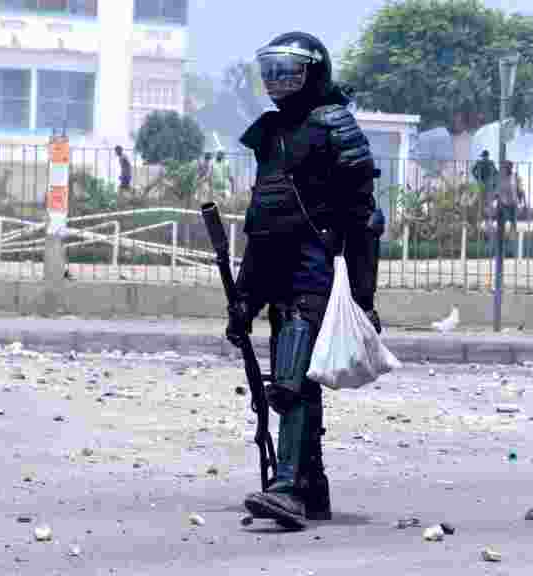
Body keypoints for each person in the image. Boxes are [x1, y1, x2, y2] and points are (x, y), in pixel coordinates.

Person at [225, 31, 383, 530]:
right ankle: (312, 487)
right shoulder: (271, 133)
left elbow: (364, 223)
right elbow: (262, 222)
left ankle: (288, 487)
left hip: (316, 272)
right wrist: (245, 299)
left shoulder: (336, 126)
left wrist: (363, 296)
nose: (277, 80)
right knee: (297, 384)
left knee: (290, 380)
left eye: (287, 70)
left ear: (313, 73)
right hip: (276, 275)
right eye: (270, 70)